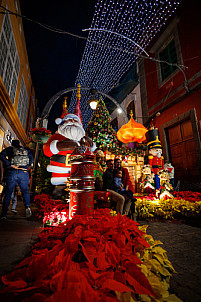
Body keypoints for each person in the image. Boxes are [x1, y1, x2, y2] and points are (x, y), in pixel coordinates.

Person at [0, 139, 34, 220]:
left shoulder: (9, 149)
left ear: (12, 144)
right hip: (23, 173)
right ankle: (27, 207)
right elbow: (31, 160)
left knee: (8, 192)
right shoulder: (26, 150)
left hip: (12, 173)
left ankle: (4, 214)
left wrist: (10, 164)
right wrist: (25, 167)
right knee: (25, 191)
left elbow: (1, 155)